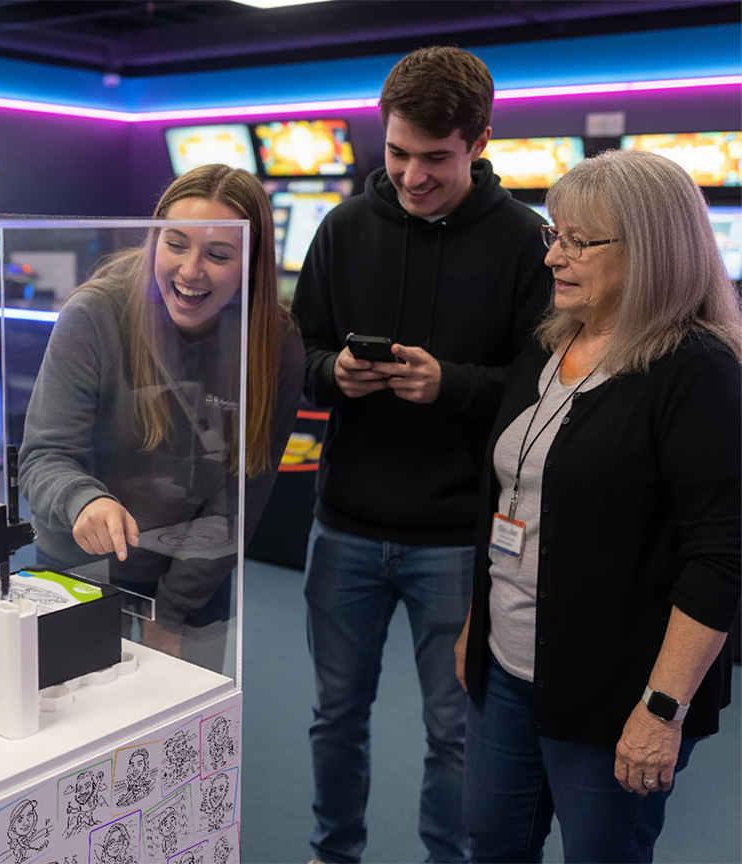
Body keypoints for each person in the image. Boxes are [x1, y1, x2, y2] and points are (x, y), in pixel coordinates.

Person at [290, 46, 553, 863]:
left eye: (434, 159)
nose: (410, 175)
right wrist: (331, 372)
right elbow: (296, 358)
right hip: (345, 527)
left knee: (457, 733)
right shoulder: (342, 227)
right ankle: (334, 853)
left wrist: (454, 385)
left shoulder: (525, 242)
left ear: (477, 142)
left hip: (460, 537)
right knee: (336, 718)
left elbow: (546, 389)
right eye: (397, 153)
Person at [456, 148, 741, 861]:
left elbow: (722, 558)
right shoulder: (552, 343)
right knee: (490, 846)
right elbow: (512, 497)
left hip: (618, 697)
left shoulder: (697, 370)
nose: (554, 256)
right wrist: (475, 623)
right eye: (555, 234)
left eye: (581, 241)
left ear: (651, 251)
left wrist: (662, 710)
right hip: (506, 669)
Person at [19, 163, 304, 671]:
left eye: (218, 255)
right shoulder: (96, 313)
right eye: (175, 244)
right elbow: (44, 457)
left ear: (253, 265)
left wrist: (172, 613)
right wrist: (84, 501)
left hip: (195, 574)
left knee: (182, 742)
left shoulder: (273, 342)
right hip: (79, 564)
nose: (191, 271)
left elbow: (241, 493)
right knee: (73, 729)